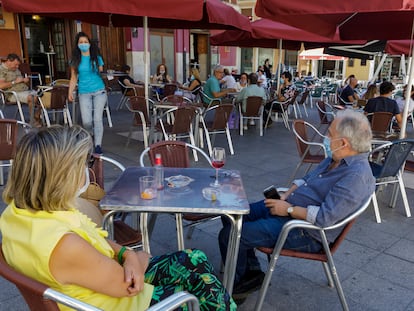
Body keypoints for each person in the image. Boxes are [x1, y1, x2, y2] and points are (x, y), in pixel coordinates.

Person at [0, 125, 236, 311]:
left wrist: (127, 253)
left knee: (194, 258)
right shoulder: (63, 245)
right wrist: (137, 257)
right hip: (124, 303)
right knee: (202, 286)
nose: (88, 169)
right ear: (60, 176)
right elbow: (130, 286)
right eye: (85, 162)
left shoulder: (19, 214)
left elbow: (93, 238)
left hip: (101, 284)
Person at [218, 109, 375, 304]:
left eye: (330, 134)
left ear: (343, 143)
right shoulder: (335, 159)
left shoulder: (356, 176)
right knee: (231, 215)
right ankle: (250, 272)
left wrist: (288, 209)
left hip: (307, 232)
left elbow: (325, 218)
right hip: (290, 208)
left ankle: (237, 286)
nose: (325, 137)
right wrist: (287, 195)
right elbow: (307, 179)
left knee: (230, 235)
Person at [68, 32, 107, 155]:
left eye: (85, 42)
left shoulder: (96, 57)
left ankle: (98, 145)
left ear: (89, 44)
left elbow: (102, 71)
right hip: (83, 92)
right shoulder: (75, 60)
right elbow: (73, 78)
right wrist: (70, 91)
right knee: (86, 121)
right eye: (81, 42)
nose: (83, 44)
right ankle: (90, 139)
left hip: (99, 91)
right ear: (77, 45)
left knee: (97, 119)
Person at [0, 53, 42, 126]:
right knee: (32, 98)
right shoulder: (2, 70)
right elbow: (1, 86)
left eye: (18, 65)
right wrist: (14, 82)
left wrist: (24, 80)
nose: (17, 67)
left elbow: (22, 81)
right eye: (16, 64)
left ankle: (36, 116)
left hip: (25, 90)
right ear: (9, 61)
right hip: (12, 93)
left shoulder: (16, 69)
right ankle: (33, 121)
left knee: (43, 95)